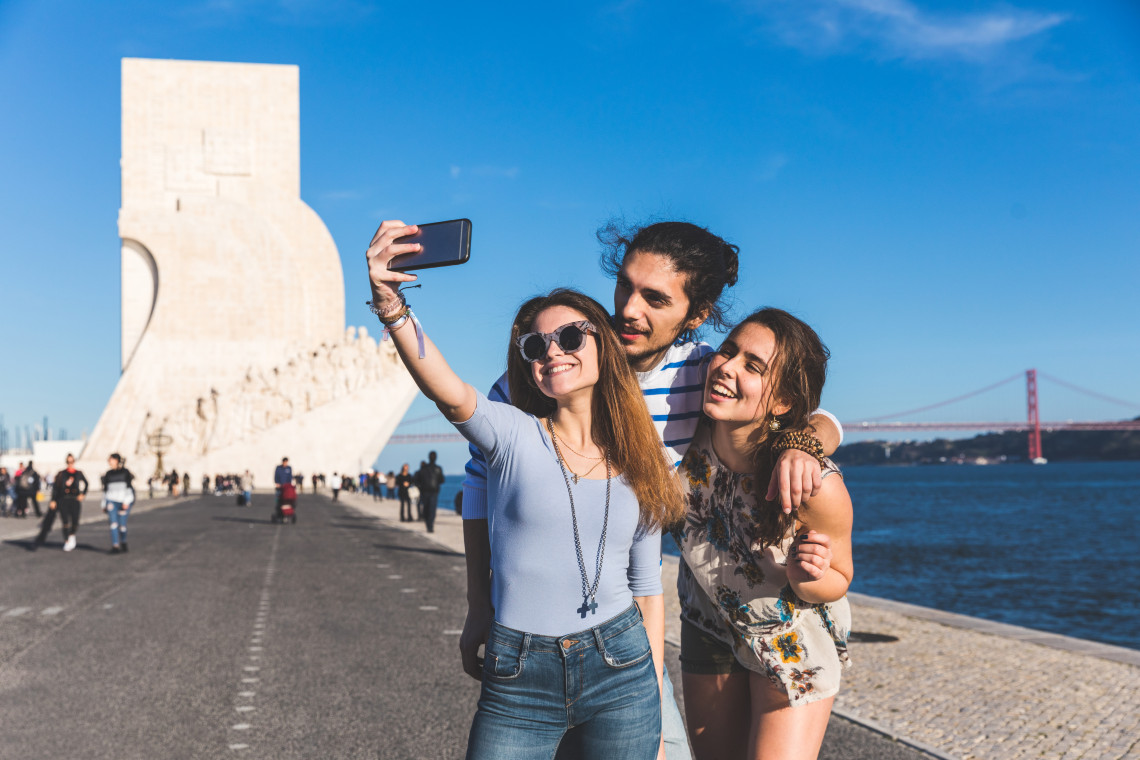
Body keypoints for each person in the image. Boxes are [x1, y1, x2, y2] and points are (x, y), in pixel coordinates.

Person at [460, 220, 843, 760]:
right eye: (624, 286)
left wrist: (805, 443)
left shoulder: (704, 371)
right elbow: (478, 487)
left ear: (696, 315)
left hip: (630, 625)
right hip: (538, 637)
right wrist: (479, 605)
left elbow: (807, 409)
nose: (628, 309)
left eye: (655, 299)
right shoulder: (550, 365)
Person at [369, 221, 682, 758]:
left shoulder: (642, 458)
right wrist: (391, 303)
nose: (552, 351)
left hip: (623, 670)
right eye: (536, 345)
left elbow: (647, 587)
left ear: (603, 345)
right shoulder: (511, 435)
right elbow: (446, 390)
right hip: (519, 673)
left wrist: (652, 692)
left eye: (570, 336)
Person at [675, 308, 854, 760]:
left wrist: (808, 576)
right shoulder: (681, 434)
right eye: (728, 351)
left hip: (790, 638)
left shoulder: (813, 483)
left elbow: (840, 578)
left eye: (753, 366)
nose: (726, 367)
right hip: (708, 624)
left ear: (782, 402)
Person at [36, 453, 88, 551]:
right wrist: (53, 500)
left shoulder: (78, 473)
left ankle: (72, 535)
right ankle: (66, 541)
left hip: (74, 499)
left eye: (71, 462)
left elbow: (86, 483)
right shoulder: (61, 473)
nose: (70, 464)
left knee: (75, 521)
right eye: (68, 462)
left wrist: (83, 494)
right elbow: (55, 488)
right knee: (65, 521)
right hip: (63, 499)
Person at [102, 454, 136, 554]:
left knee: (122, 525)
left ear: (116, 460)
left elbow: (129, 488)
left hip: (123, 501)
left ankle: (123, 541)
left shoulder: (125, 472)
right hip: (111, 500)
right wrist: (104, 504)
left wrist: (127, 501)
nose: (109, 461)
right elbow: (105, 490)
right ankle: (115, 546)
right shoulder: (108, 474)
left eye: (111, 459)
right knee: (113, 524)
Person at [416, 451, 445, 533]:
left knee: (428, 509)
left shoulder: (425, 468)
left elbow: (418, 479)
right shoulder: (438, 468)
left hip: (428, 491)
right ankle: (430, 525)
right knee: (431, 509)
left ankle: (430, 525)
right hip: (431, 491)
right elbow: (441, 480)